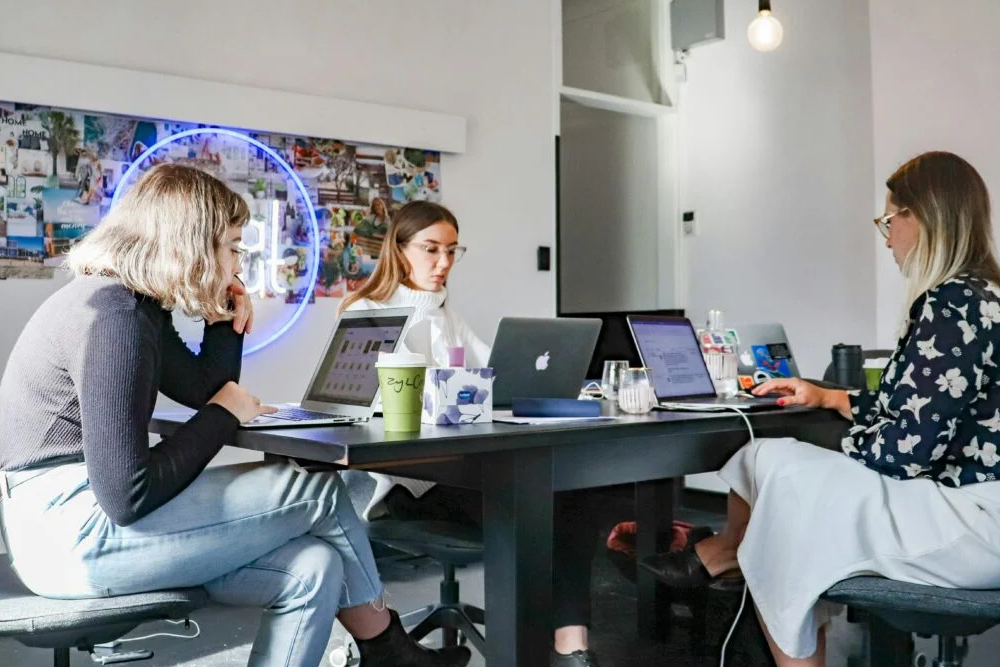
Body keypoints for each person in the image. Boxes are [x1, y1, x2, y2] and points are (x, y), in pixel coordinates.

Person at [0, 164, 471, 667]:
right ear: (193, 245)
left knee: (314, 566)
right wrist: (224, 414)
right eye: (232, 247)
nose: (238, 261)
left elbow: (205, 389)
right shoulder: (117, 317)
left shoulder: (133, 305)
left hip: (69, 527)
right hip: (70, 534)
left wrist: (224, 321)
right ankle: (389, 650)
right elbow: (127, 494)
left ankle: (387, 652)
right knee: (319, 488)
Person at [642, 151, 1000, 666]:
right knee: (775, 468)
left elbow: (904, 453)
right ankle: (728, 553)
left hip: (970, 523)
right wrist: (830, 397)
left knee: (778, 472)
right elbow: (928, 405)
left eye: (888, 221)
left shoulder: (949, 303)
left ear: (922, 217)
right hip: (975, 506)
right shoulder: (984, 297)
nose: (887, 239)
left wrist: (830, 444)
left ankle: (727, 554)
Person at [340, 200, 607, 667]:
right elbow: (368, 410)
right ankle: (553, 642)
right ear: (399, 249)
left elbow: (497, 372)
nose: (443, 262)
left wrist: (566, 385)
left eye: (452, 251)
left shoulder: (445, 315)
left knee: (570, 490)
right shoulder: (366, 312)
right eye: (431, 249)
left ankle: (572, 644)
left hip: (464, 473)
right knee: (546, 502)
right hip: (409, 484)